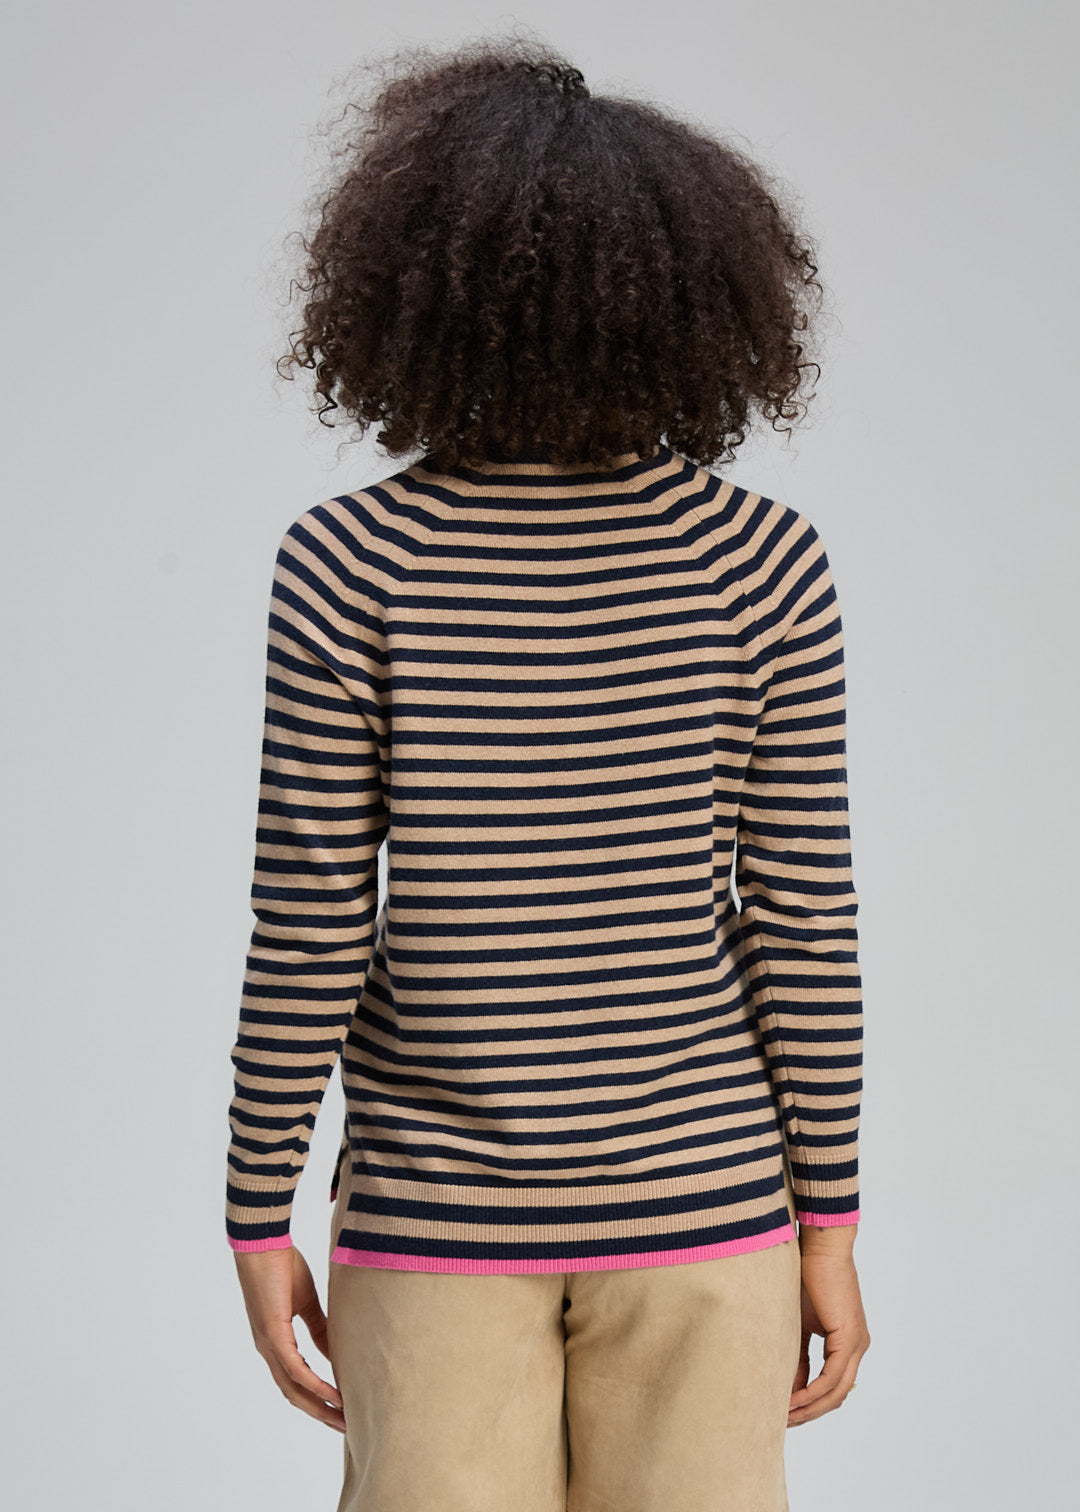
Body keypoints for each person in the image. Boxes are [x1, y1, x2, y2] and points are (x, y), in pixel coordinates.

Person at [225, 34, 870, 1512]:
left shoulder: (352, 562)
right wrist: (829, 1222)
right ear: (697, 303)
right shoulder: (761, 562)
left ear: (409, 297)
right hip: (709, 1213)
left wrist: (257, 1211)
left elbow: (311, 921)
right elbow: (803, 925)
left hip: (431, 1226)